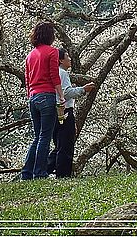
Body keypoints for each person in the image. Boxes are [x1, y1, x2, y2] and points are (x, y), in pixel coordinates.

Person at [21, 22, 66, 180]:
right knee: (45, 136)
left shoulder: (30, 55)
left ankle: (26, 173)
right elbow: (54, 75)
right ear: (50, 35)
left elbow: (27, 79)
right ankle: (40, 172)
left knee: (37, 136)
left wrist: (30, 95)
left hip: (33, 97)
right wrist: (61, 95)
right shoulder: (52, 52)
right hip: (47, 95)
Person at [47, 48, 95, 178]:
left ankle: (45, 170)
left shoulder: (54, 73)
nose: (70, 59)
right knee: (66, 146)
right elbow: (67, 93)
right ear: (61, 60)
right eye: (67, 56)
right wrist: (83, 89)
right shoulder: (62, 73)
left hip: (55, 112)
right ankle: (63, 175)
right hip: (64, 110)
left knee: (59, 145)